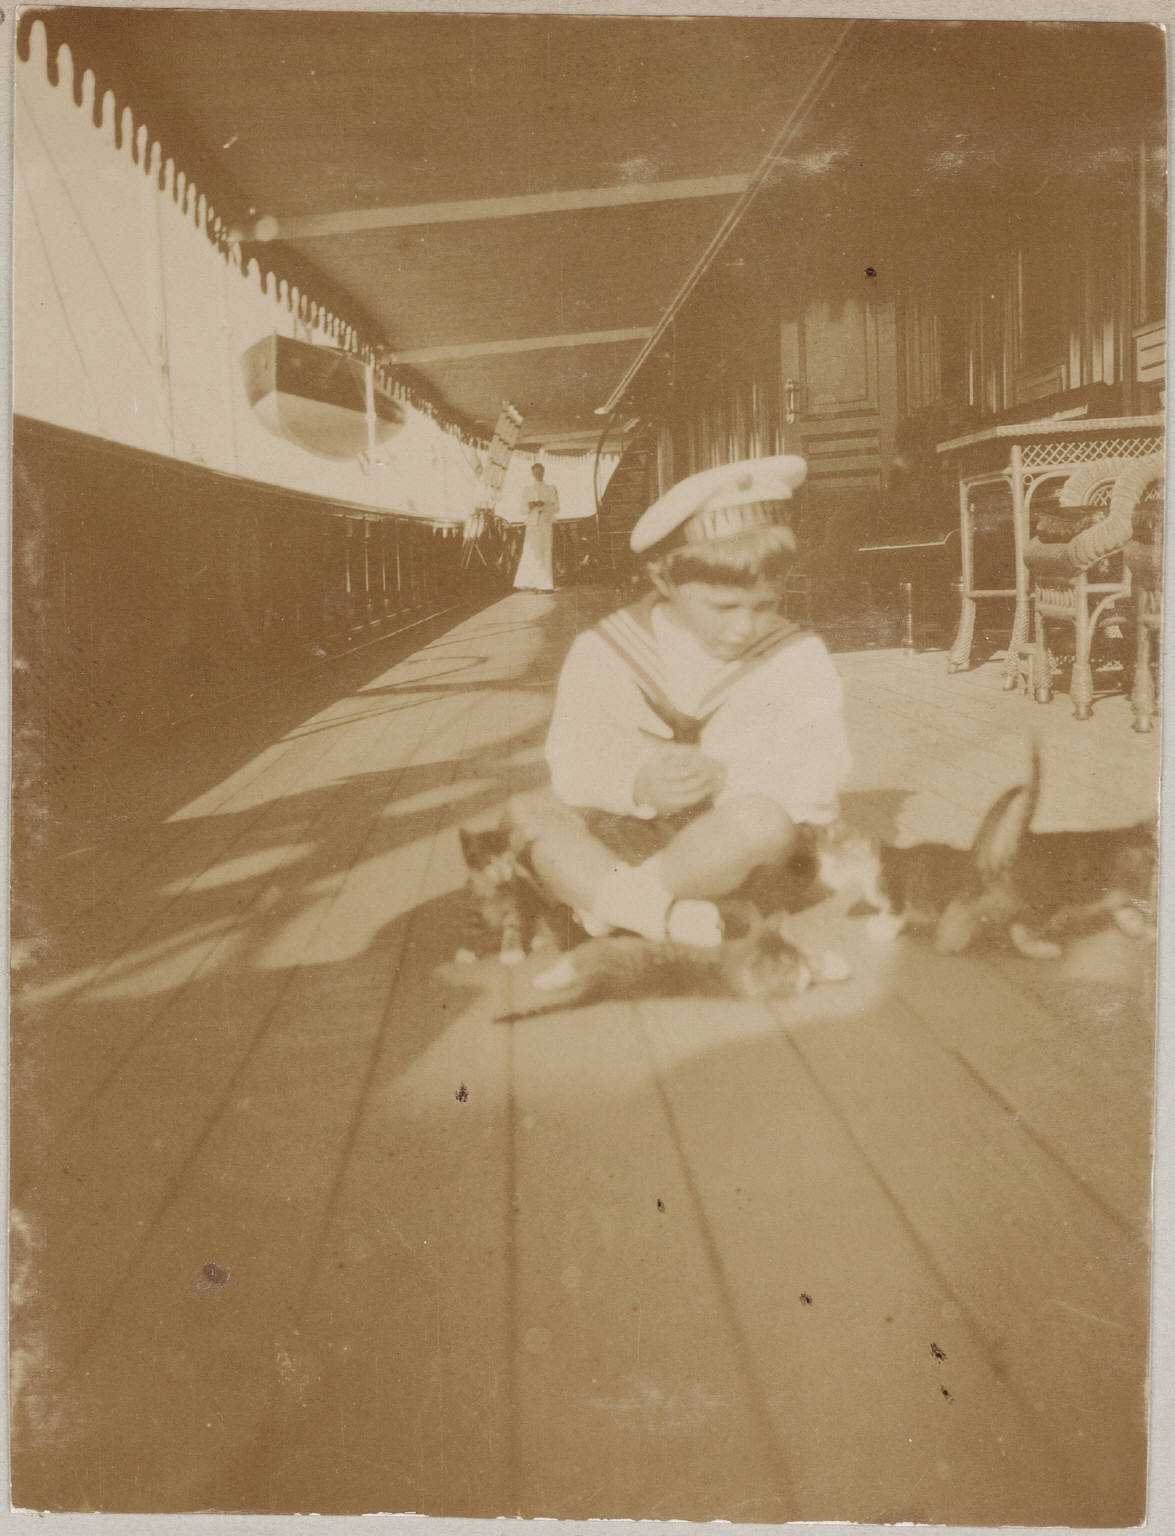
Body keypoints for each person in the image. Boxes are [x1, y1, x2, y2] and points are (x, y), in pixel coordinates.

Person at [507, 455, 852, 948]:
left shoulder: (795, 655)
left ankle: (614, 904)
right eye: (722, 607)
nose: (745, 627)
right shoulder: (606, 649)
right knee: (528, 811)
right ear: (663, 580)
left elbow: (816, 779)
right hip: (629, 835)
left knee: (761, 821)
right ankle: (665, 913)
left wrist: (727, 778)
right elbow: (572, 761)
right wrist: (636, 783)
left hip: (736, 851)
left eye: (765, 605)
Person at [512, 461, 559, 591]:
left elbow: (557, 508)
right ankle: (533, 583)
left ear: (544, 472)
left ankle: (545, 584)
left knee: (546, 552)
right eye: (536, 472)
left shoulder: (551, 488)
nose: (538, 474)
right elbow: (522, 510)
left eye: (540, 472)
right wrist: (530, 505)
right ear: (532, 474)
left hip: (545, 523)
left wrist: (544, 506)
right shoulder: (527, 490)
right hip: (532, 525)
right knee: (532, 553)